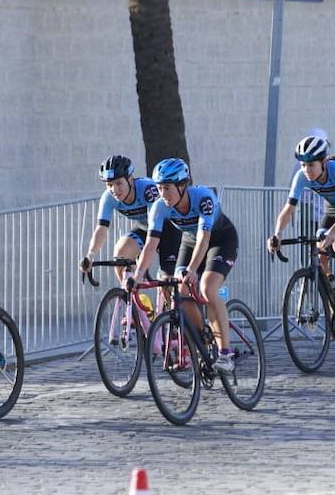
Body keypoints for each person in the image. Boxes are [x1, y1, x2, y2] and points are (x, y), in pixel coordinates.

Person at [126, 158, 240, 370]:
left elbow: (205, 239)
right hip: (190, 241)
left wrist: (193, 270)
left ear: (181, 185)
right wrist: (138, 275)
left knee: (208, 288)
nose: (163, 194)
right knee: (179, 288)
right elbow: (151, 243)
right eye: (159, 188)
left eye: (167, 188)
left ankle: (225, 353)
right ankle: (202, 337)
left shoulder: (203, 198)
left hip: (220, 239)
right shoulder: (159, 207)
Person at [269, 134, 335, 320]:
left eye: (311, 165)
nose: (307, 170)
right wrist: (277, 234)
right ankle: (333, 286)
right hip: (332, 212)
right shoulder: (301, 177)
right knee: (319, 250)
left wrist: (332, 233)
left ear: (323, 162)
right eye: (303, 165)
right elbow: (289, 208)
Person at [79, 154, 181, 286]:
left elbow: (155, 228)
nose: (114, 190)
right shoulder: (108, 197)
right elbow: (101, 229)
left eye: (119, 183)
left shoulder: (148, 190)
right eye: (109, 184)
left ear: (130, 179)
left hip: (169, 230)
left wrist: (143, 264)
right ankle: (131, 300)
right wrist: (90, 255)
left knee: (167, 284)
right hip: (145, 228)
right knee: (121, 257)